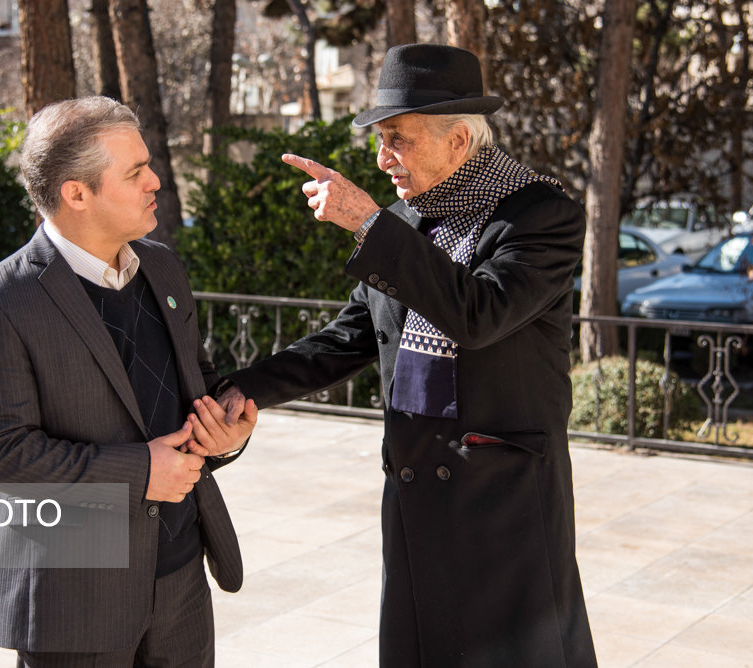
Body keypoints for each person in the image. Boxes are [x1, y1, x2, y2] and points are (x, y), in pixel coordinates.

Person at [218, 44, 598, 667]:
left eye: (398, 139)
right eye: (379, 139)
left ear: (458, 141)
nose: (381, 158)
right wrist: (240, 389)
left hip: (503, 498)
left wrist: (371, 225)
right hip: (416, 492)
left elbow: (478, 314)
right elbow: (347, 338)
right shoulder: (405, 220)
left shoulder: (541, 214)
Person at [0, 96, 257, 668]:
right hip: (77, 599)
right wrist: (141, 471)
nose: (156, 181)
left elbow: (200, 384)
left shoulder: (163, 267)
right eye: (136, 171)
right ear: (76, 193)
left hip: (183, 582)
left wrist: (225, 432)